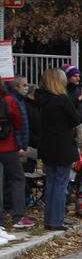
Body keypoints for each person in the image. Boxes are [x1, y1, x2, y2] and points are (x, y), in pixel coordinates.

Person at [36, 68, 82, 231]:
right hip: (62, 146)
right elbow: (76, 119)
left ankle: (50, 219)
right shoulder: (62, 99)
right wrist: (81, 103)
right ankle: (57, 220)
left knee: (50, 183)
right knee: (60, 185)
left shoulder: (41, 100)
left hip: (47, 146)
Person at [0, 82, 33, 231]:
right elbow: (18, 121)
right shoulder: (9, 100)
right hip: (7, 145)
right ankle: (18, 216)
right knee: (18, 178)